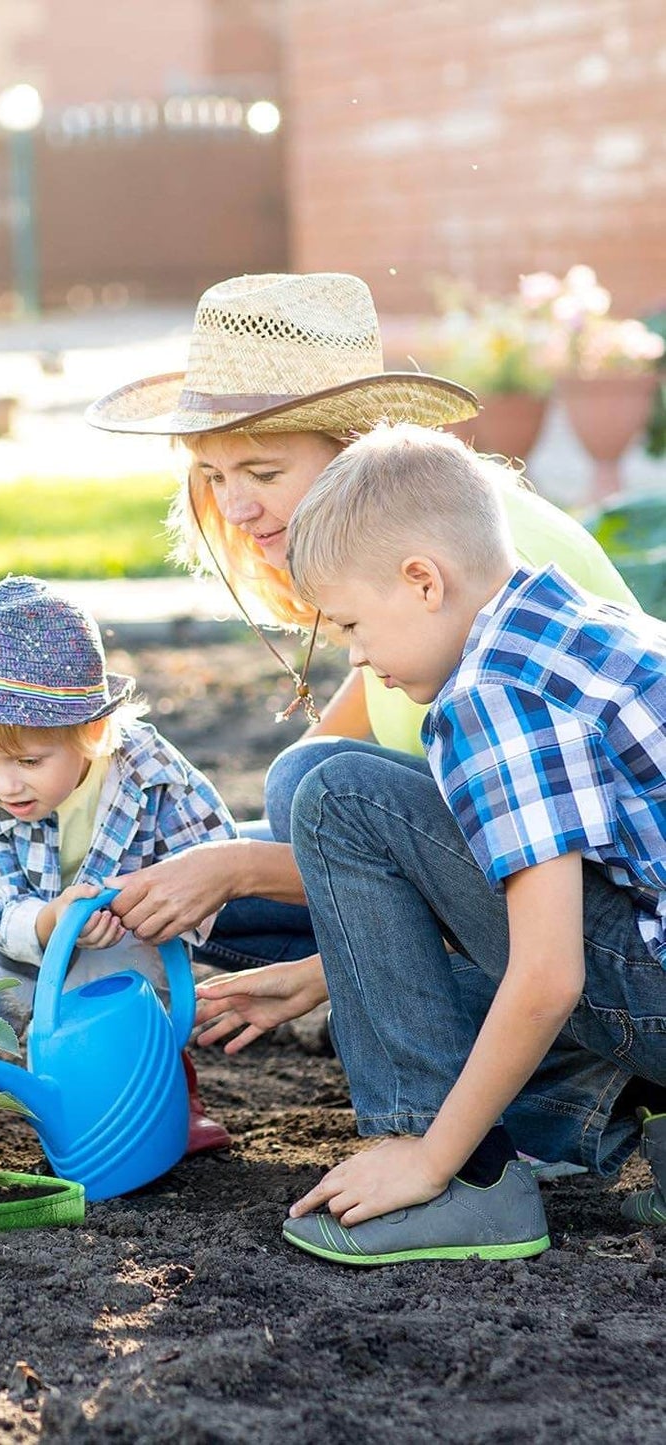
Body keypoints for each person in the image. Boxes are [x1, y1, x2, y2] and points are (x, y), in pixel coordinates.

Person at [84, 271, 638, 1009]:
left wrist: (242, 872)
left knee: (273, 833)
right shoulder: (394, 563)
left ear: (355, 450)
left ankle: (547, 1099)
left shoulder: (466, 562)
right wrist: (176, 855)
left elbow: (511, 863)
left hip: (607, 930)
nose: (235, 505)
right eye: (212, 475)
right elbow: (317, 784)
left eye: (262, 470)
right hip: (495, 887)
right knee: (206, 852)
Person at [237, 422, 666, 1264]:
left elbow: (547, 976)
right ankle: (622, 1117)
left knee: (334, 794)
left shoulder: (491, 697)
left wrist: (427, 1155)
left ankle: (462, 1177)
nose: (360, 659)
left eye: (355, 626)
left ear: (422, 581)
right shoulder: (566, 621)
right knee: (340, 781)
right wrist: (331, 971)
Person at [0, 575, 238, 1153]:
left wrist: (161, 912)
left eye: (29, 760)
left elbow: (212, 851)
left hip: (118, 935)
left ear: (94, 732)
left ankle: (162, 1093)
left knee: (117, 984)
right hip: (14, 937)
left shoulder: (151, 774)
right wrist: (45, 923)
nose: (3, 782)